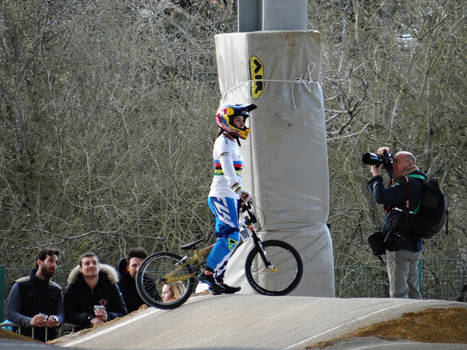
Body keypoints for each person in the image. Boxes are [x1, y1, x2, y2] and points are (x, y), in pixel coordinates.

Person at [198, 103, 257, 294]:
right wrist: (240, 191)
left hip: (230, 197)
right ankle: (207, 274)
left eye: (242, 120)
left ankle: (218, 278)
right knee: (231, 235)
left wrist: (239, 197)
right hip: (221, 195)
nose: (241, 124)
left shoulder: (232, 142)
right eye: (238, 120)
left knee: (234, 237)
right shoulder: (222, 141)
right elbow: (228, 171)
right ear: (226, 122)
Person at [368, 147, 426, 299]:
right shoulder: (419, 181)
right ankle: (418, 320)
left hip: (399, 245)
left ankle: (404, 322)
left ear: (409, 163)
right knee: (414, 292)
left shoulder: (406, 183)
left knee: (398, 293)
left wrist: (376, 176)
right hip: (414, 244)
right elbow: (397, 188)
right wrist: (387, 160)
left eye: (396, 162)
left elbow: (380, 196)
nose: (393, 165)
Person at [6, 248, 64, 342]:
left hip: (49, 342)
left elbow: (61, 313)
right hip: (22, 341)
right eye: (50, 261)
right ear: (39, 262)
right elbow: (11, 313)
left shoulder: (56, 290)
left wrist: (56, 319)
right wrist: (30, 321)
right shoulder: (20, 285)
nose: (54, 265)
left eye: (56, 262)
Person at [64, 252, 127, 329]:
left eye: (94, 263)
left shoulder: (111, 284)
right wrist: (90, 318)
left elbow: (122, 312)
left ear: (99, 267)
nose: (91, 265)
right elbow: (69, 314)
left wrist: (108, 316)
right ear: (80, 269)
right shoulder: (72, 288)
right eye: (87, 263)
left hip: (109, 327)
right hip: (81, 329)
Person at [116, 248, 148, 312]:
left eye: (142, 265)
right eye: (134, 266)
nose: (138, 269)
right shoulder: (118, 285)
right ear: (127, 268)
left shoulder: (149, 282)